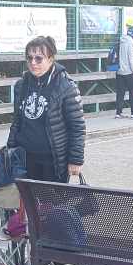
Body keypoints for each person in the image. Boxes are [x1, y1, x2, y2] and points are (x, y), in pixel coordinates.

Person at [7, 35, 85, 182]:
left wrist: (76, 160)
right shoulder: (21, 86)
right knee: (27, 202)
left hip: (53, 160)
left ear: (50, 59)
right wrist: (10, 148)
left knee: (52, 203)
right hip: (25, 158)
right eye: (29, 58)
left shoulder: (65, 86)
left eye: (38, 58)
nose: (33, 63)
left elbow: (77, 126)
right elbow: (17, 121)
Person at [114, 24, 133, 119]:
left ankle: (118, 112)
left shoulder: (120, 41)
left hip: (119, 71)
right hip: (129, 72)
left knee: (120, 93)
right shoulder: (131, 43)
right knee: (132, 92)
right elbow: (131, 59)